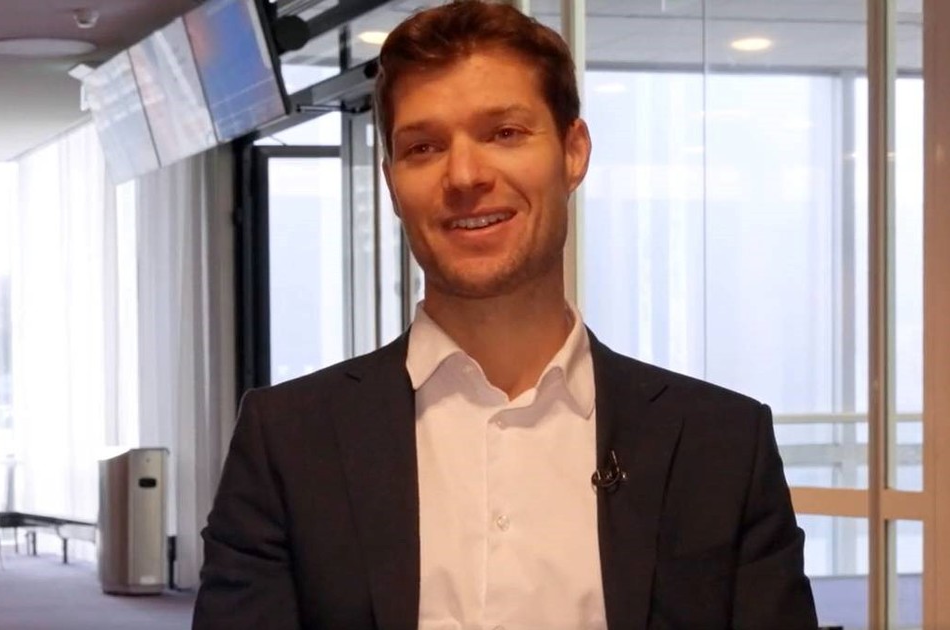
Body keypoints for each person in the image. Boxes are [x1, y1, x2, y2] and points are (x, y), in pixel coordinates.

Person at [193, 2, 816, 629]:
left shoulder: (721, 446)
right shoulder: (289, 445)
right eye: (424, 147)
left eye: (505, 133)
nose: (465, 176)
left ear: (574, 152)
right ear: (391, 183)